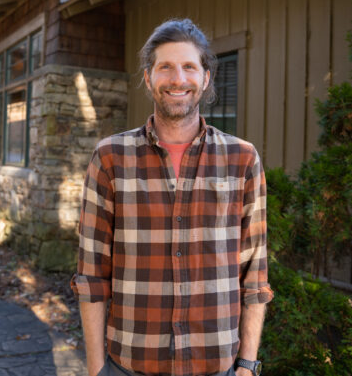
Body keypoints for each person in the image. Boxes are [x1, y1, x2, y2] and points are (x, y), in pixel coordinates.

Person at [71, 18, 273, 376]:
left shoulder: (243, 159)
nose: (178, 79)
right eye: (165, 67)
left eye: (189, 67)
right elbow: (92, 274)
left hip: (219, 366)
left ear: (206, 77)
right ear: (148, 78)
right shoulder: (110, 157)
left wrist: (247, 365)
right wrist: (95, 368)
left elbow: (254, 273)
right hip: (128, 365)